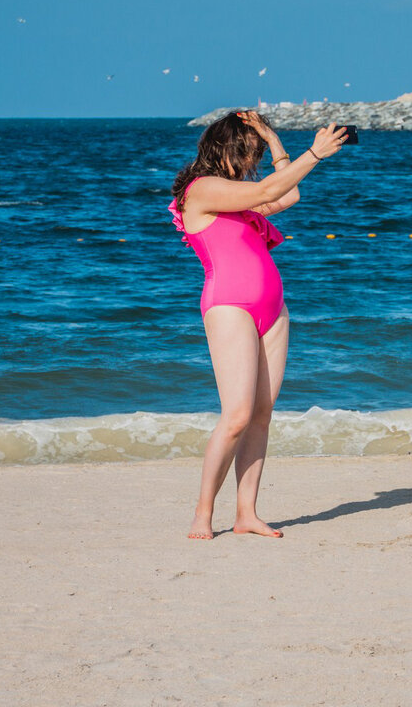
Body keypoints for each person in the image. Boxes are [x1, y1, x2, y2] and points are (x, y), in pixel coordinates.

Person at [169, 111, 346, 539]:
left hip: (273, 309)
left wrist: (274, 137)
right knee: (237, 415)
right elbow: (270, 187)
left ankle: (246, 513)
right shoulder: (202, 190)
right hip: (230, 307)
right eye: (249, 152)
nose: (253, 161)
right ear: (226, 149)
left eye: (258, 154)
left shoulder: (240, 197)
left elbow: (288, 195)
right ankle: (203, 512)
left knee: (262, 415)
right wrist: (315, 153)